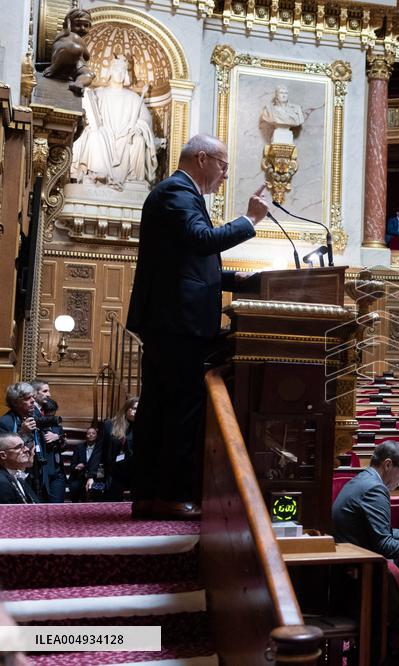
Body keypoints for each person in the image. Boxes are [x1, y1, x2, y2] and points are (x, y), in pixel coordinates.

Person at [126, 134, 268, 520]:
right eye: (223, 165)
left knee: (159, 408)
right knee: (180, 411)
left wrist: (238, 281)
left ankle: (149, 495)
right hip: (178, 322)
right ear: (202, 158)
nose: (225, 174)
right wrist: (250, 220)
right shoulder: (178, 192)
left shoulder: (180, 194)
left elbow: (188, 263)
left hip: (171, 320)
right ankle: (170, 495)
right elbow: (202, 240)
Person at [72, 56, 163, 189]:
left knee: (138, 139)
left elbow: (145, 120)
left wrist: (138, 127)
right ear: (110, 72)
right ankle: (97, 175)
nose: (119, 74)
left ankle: (134, 180)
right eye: (116, 70)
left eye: (122, 71)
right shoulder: (98, 93)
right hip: (104, 135)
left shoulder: (134, 98)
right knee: (94, 135)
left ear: (126, 74)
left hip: (126, 138)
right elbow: (87, 114)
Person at [332, 441, 399, 559]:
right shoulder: (375, 488)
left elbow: (385, 532)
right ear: (388, 465)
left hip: (349, 556)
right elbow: (385, 546)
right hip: (358, 566)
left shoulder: (363, 478)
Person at [0, 382, 62, 503]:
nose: (33, 401)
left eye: (33, 397)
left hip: (38, 470)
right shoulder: (6, 422)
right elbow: (4, 449)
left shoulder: (34, 415)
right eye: (28, 398)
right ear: (15, 402)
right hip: (18, 473)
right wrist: (22, 432)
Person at [102, 397, 138, 502]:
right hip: (115, 471)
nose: (137, 411)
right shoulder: (109, 425)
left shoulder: (143, 426)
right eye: (134, 408)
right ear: (127, 409)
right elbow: (100, 450)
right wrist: (91, 475)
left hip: (135, 471)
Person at [0, 433, 38, 504]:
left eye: (25, 446)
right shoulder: (2, 483)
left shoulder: (17, 475)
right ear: (3, 455)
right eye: (19, 447)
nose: (27, 449)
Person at [69, 425, 104, 502]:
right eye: (89, 433)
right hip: (80, 476)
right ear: (86, 436)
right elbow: (72, 465)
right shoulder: (79, 447)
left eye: (93, 433)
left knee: (96, 488)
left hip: (96, 476)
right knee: (74, 486)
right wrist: (76, 467)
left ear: (97, 435)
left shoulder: (100, 448)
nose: (91, 435)